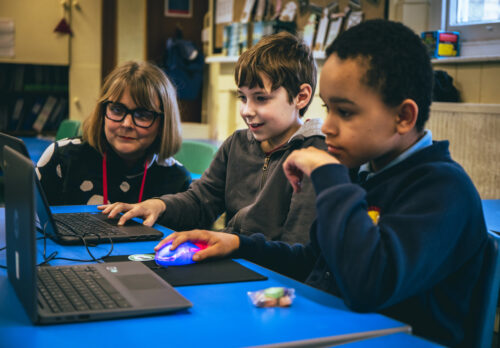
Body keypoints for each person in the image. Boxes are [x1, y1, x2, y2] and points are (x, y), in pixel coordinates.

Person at [155, 20, 488, 347]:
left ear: (403, 117)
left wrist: (331, 176)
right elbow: (316, 263)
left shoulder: (442, 189)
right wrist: (238, 245)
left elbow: (369, 285)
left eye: (344, 112)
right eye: (328, 109)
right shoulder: (368, 172)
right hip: (337, 328)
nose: (327, 126)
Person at [100, 31, 326, 244]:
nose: (247, 110)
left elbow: (297, 247)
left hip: (273, 275)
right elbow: (200, 201)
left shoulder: (314, 155)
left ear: (301, 97)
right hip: (235, 256)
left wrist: (233, 245)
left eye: (261, 98)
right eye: (243, 98)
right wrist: (159, 205)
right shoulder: (237, 144)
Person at [36, 61, 191, 205]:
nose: (127, 124)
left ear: (163, 123)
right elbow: (27, 223)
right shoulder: (61, 158)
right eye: (117, 109)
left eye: (143, 114)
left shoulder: (177, 180)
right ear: (102, 111)